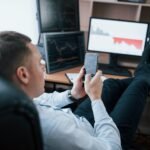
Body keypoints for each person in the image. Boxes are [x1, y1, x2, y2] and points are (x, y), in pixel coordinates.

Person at [0, 31, 149, 150]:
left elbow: (42, 100)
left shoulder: (15, 99)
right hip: (103, 139)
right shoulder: (54, 128)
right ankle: (143, 72)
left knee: (110, 83)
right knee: (140, 84)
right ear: (23, 75)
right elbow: (111, 147)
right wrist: (95, 98)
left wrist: (73, 94)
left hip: (78, 122)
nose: (43, 66)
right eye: (39, 62)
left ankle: (143, 72)